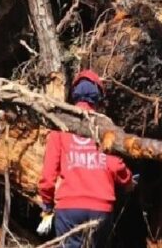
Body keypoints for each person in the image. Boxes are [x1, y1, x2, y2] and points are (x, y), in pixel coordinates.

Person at [37, 70, 135, 247]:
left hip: (69, 208)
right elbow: (115, 165)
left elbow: (49, 172)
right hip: (101, 208)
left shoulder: (61, 125)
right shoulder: (105, 126)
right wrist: (128, 181)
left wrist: (47, 203)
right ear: (98, 97)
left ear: (74, 94)